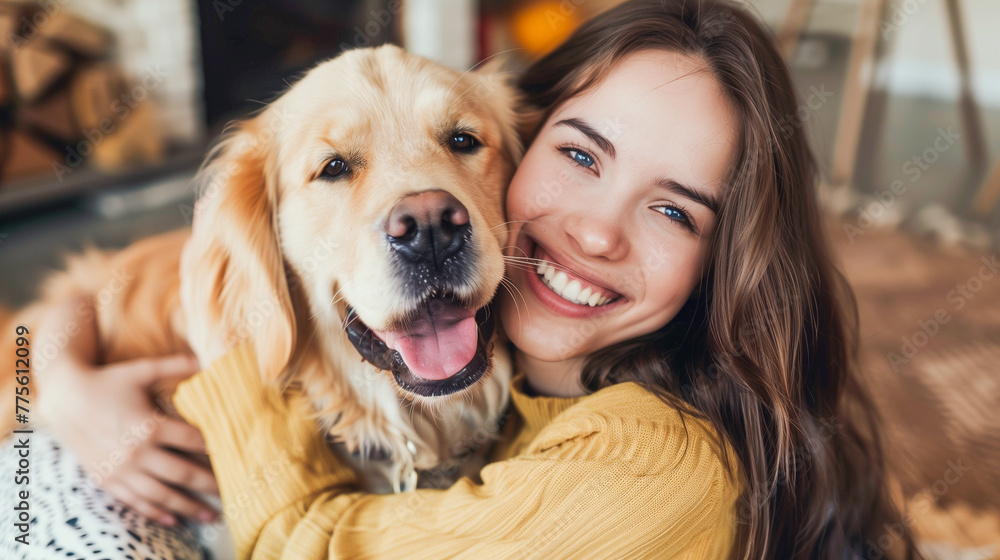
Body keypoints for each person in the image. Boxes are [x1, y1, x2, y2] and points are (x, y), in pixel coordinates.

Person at [17, 0, 918, 558]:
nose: (424, 209)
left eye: (460, 143)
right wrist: (58, 385)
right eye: (337, 170)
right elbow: (56, 313)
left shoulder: (645, 465)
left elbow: (307, 545)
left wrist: (228, 389)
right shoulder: (530, 347)